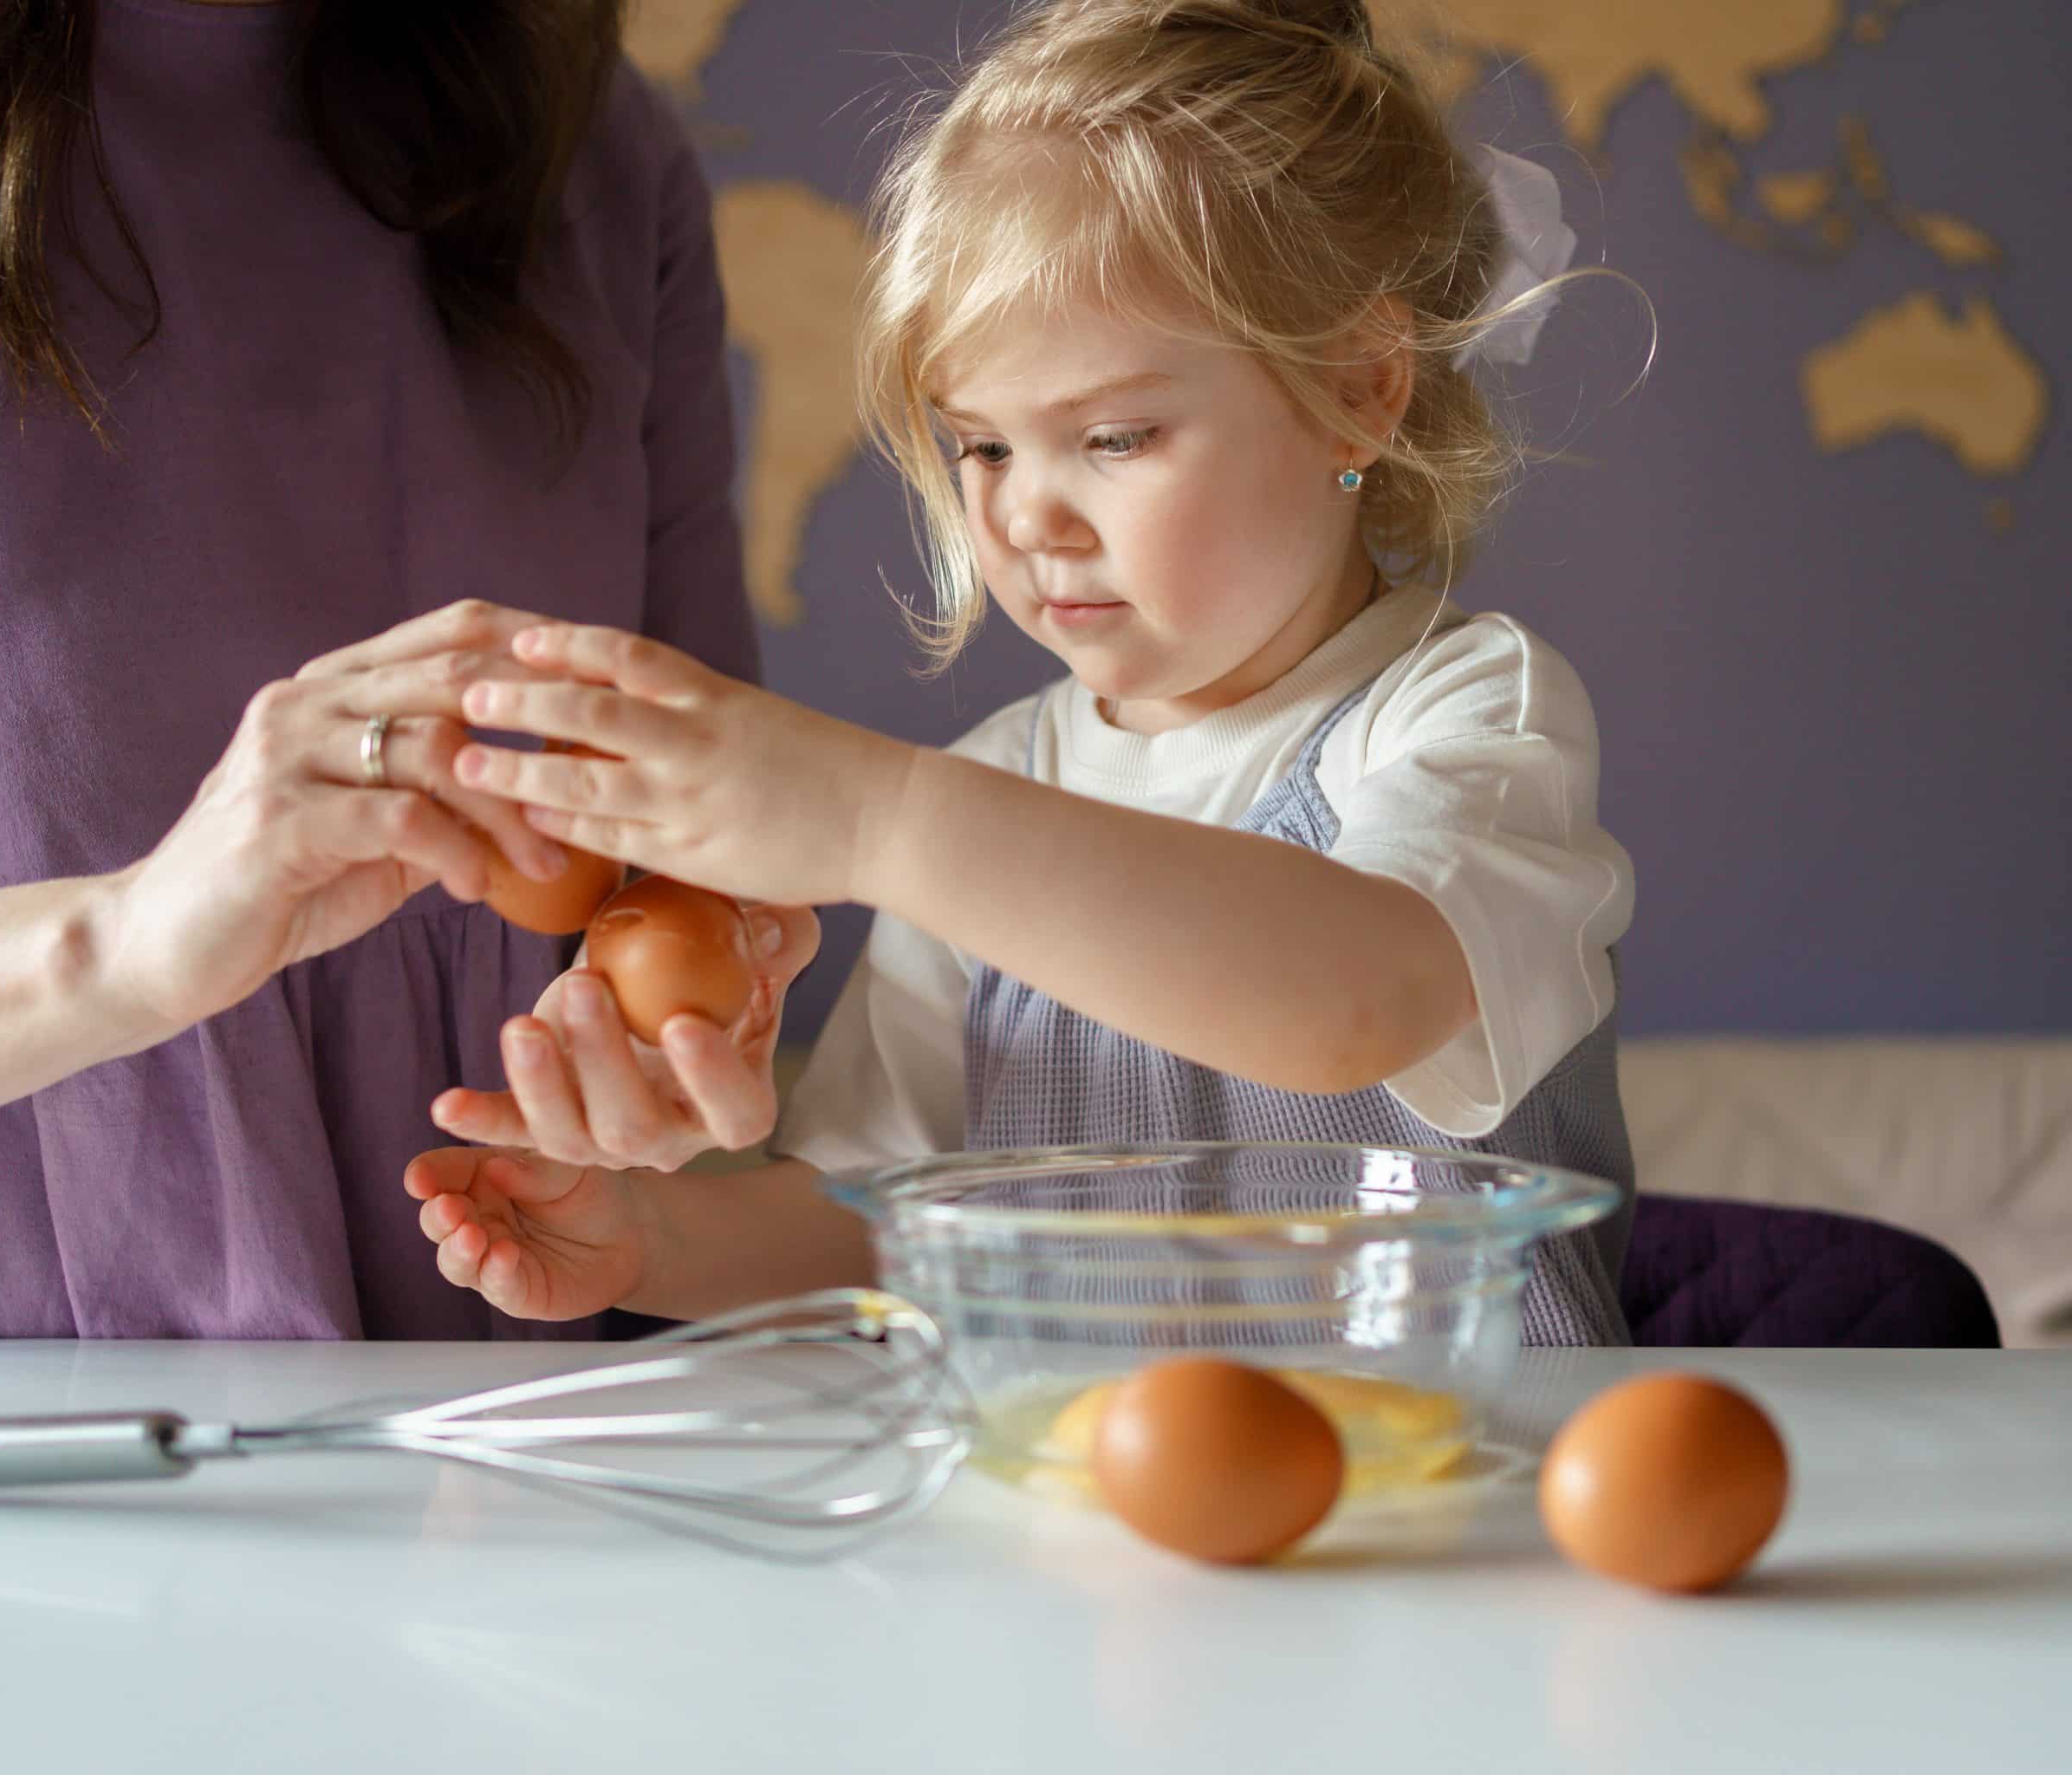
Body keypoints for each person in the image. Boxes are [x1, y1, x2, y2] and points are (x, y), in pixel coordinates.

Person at [404, 0, 1641, 1345]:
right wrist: (649, 1238)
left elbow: (1355, 1000)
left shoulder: (1465, 710)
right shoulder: (997, 786)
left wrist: (881, 821)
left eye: (1111, 437)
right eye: (982, 447)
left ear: (1360, 387)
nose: (1025, 516)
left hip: (1455, 1515)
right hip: (1082, 1531)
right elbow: (881, 1226)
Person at [0, 0, 818, 1381]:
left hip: (512, 1374)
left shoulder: (591, 146)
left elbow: (706, 840)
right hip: (7, 1397)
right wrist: (121, 946)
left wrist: (690, 1036)